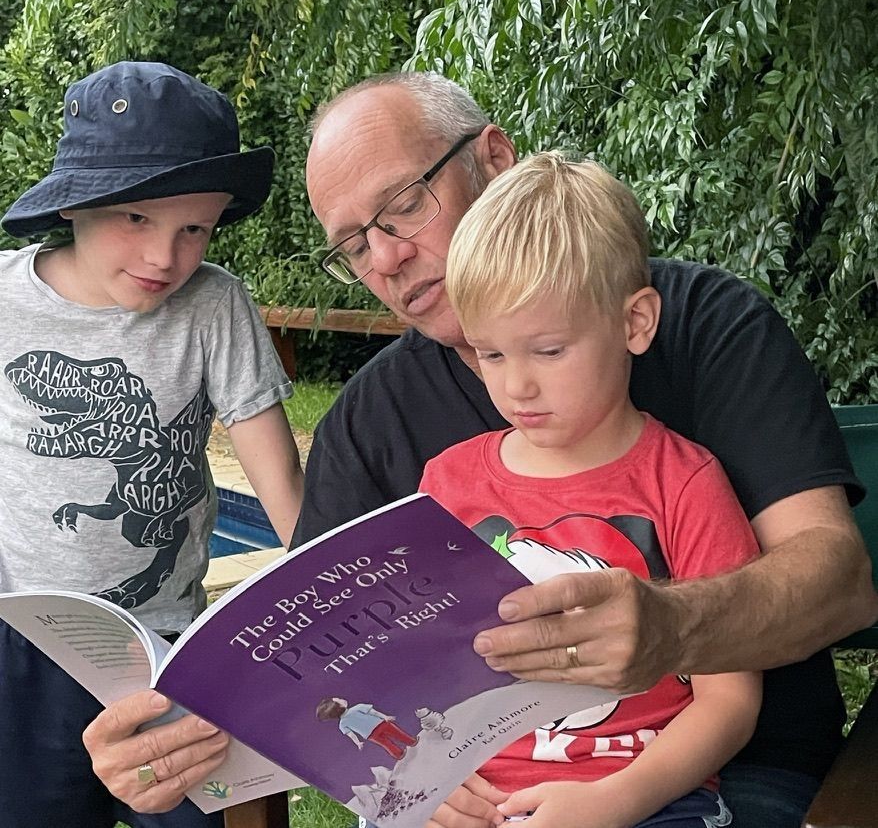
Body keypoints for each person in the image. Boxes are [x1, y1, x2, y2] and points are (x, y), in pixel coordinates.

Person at [80, 72, 877, 828]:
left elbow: (839, 585)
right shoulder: (376, 421)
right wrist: (178, 743)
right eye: (355, 245)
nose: (386, 257)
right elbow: (327, 678)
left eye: (402, 206)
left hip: (722, 782)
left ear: (494, 158)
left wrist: (673, 627)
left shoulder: (705, 326)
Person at [415, 150, 762, 827]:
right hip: (475, 800)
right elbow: (415, 670)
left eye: (548, 350)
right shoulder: (446, 483)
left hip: (647, 797)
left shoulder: (683, 482)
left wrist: (613, 800)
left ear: (635, 322)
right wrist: (428, 777)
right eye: (490, 353)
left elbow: (731, 700)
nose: (517, 385)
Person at [0, 61, 304, 828]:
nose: (166, 257)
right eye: (137, 218)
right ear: (75, 205)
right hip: (24, 644)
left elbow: (284, 490)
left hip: (171, 643)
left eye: (194, 227)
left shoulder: (215, 305)